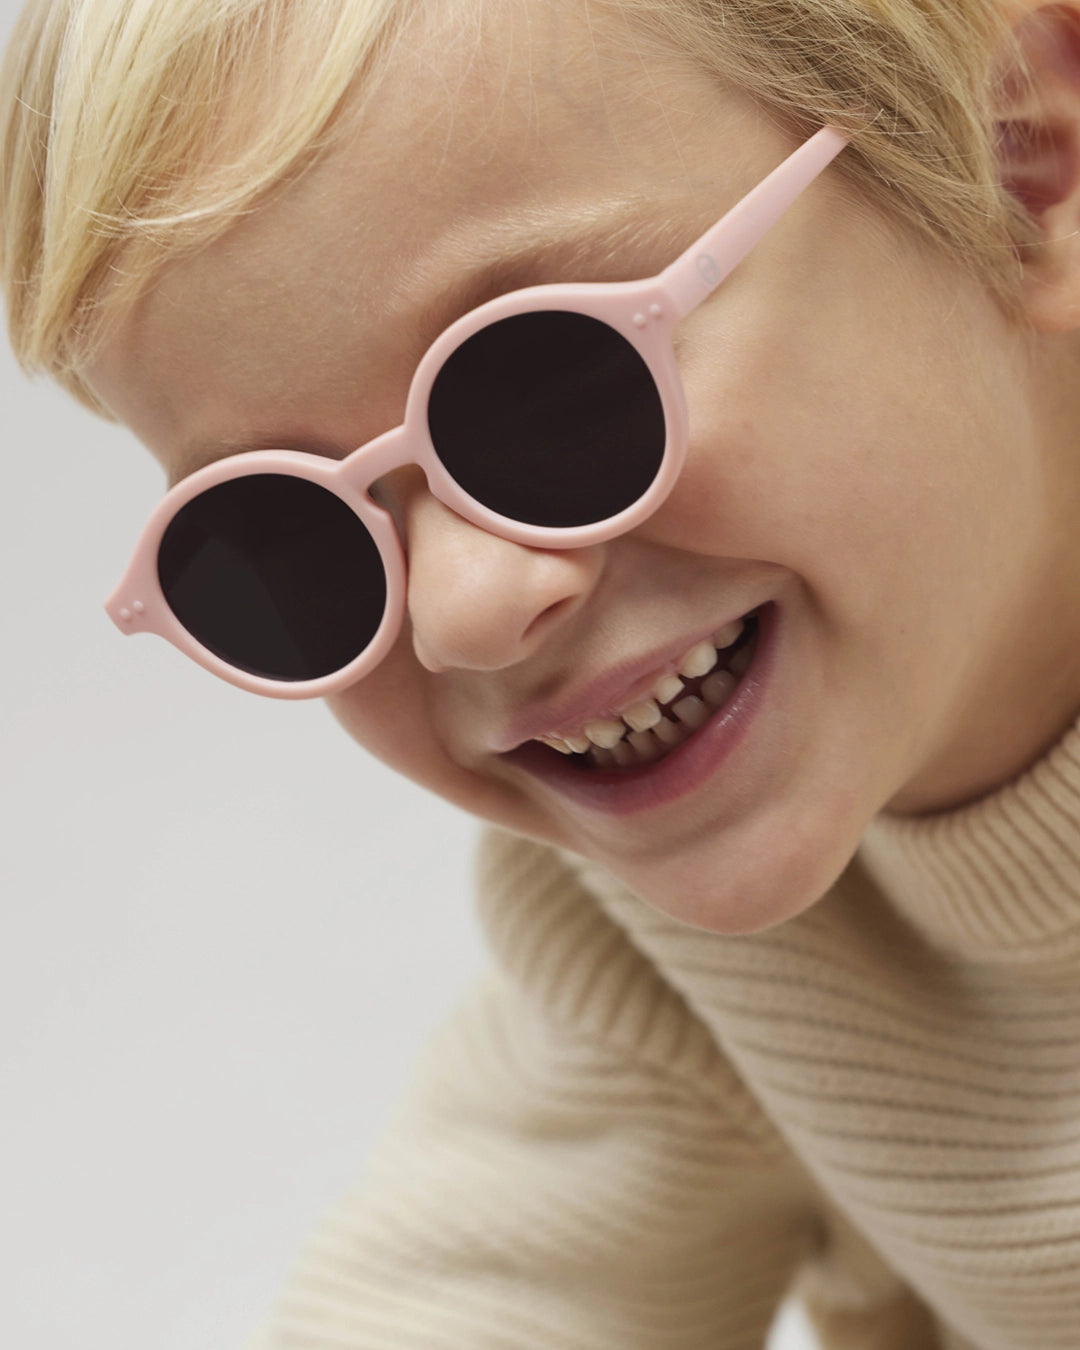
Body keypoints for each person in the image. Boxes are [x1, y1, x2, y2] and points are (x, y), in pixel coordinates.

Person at [4, 0, 1080, 1345]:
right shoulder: (668, 962)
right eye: (287, 533)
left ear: (1021, 163)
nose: (463, 611)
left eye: (556, 387)